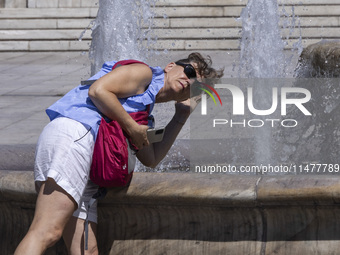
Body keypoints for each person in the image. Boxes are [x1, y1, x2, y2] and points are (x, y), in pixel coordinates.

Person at [14, 52, 224, 255]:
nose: (190, 81)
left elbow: (151, 158)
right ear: (170, 66)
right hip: (76, 136)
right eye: (189, 71)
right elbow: (98, 91)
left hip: (87, 158)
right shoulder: (143, 73)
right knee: (47, 232)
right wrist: (131, 127)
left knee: (87, 250)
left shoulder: (143, 112)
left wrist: (182, 114)